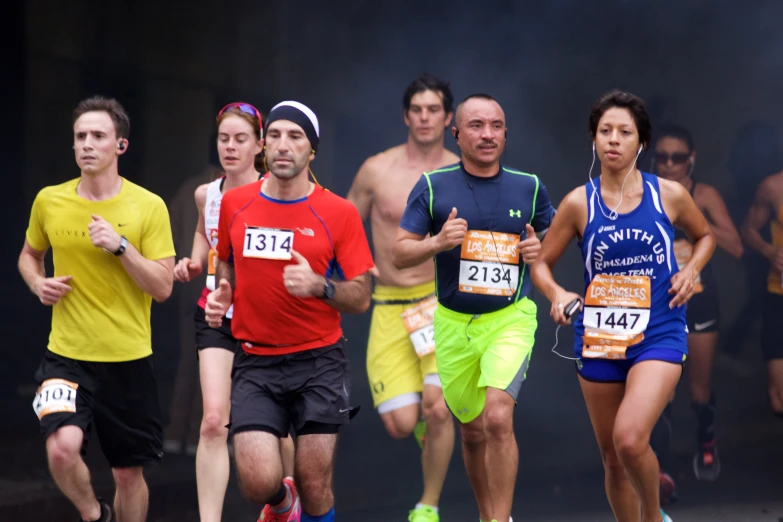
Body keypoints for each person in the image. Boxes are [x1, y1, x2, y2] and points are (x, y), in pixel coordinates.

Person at [530, 90, 715, 522]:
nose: (613, 139)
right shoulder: (579, 202)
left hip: (660, 330)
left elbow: (704, 236)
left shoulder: (668, 194)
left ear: (641, 142)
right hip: (600, 336)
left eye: (624, 132)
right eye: (605, 131)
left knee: (630, 438)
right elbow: (541, 264)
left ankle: (654, 517)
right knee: (613, 457)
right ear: (594, 140)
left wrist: (690, 272)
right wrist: (558, 295)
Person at [205, 101, 375, 522]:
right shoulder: (236, 202)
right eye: (276, 135)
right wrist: (225, 291)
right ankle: (284, 504)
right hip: (256, 360)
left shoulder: (339, 212)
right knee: (256, 481)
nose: (283, 145)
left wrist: (320, 286)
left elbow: (361, 296)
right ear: (264, 146)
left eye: (295, 137)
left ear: (311, 151)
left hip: (319, 360)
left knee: (314, 480)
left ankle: (305, 504)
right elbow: (225, 259)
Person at [392, 93, 551, 522]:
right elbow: (399, 253)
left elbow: (553, 238)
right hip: (452, 323)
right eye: (476, 126)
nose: (487, 135)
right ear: (456, 134)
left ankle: (501, 519)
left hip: (510, 319)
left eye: (496, 126)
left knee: (498, 417)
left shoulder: (529, 186)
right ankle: (486, 514)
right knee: (472, 430)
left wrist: (540, 248)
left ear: (506, 133)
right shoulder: (432, 186)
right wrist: (438, 243)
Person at [18, 96, 176, 522]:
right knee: (61, 449)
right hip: (67, 356)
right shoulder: (50, 200)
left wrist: (121, 246)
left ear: (120, 146)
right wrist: (37, 283)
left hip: (128, 360)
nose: (87, 144)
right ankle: (94, 516)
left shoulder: (149, 206)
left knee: (128, 475)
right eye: (80, 136)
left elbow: (163, 287)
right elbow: (29, 255)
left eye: (98, 136)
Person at [171, 102, 295, 522]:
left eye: (240, 139)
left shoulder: (278, 192)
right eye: (224, 139)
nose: (230, 147)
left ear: (259, 145)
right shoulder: (207, 193)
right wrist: (190, 263)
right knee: (212, 422)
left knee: (276, 425)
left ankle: (286, 504)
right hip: (215, 316)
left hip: (267, 319)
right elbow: (202, 238)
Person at [346, 74, 458, 522]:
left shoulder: (460, 170)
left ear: (448, 117)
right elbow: (343, 224)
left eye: (434, 109)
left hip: (440, 305)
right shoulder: (377, 169)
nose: (425, 117)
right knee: (402, 423)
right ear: (406, 115)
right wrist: (350, 268)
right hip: (389, 304)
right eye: (418, 109)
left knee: (437, 406)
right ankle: (430, 432)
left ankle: (427, 505)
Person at [649, 125, 743, 498]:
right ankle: (662, 471)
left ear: (691, 159)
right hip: (656, 303)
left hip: (699, 300)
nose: (669, 164)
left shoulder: (703, 195)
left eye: (677, 157)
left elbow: (736, 246)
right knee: (662, 390)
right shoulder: (642, 194)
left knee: (698, 391)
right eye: (662, 157)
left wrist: (694, 222)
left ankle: (706, 439)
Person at [740, 170, 783, 420]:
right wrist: (769, 251)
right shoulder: (773, 187)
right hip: (779, 297)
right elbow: (747, 229)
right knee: (778, 399)